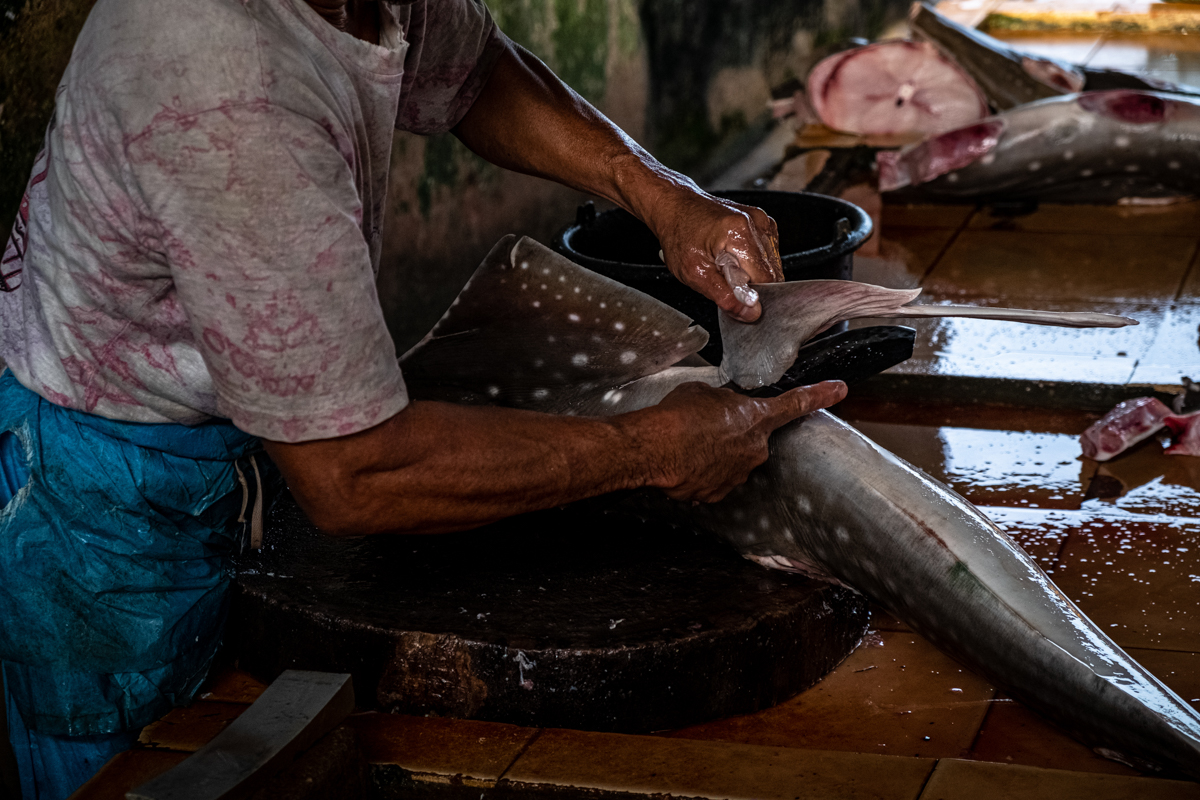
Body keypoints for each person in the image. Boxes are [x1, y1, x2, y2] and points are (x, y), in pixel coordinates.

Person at [0, 0, 845, 795]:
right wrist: (655, 449)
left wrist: (661, 192)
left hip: (232, 442)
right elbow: (351, 474)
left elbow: (473, 70)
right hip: (99, 495)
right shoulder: (224, 93)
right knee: (154, 769)